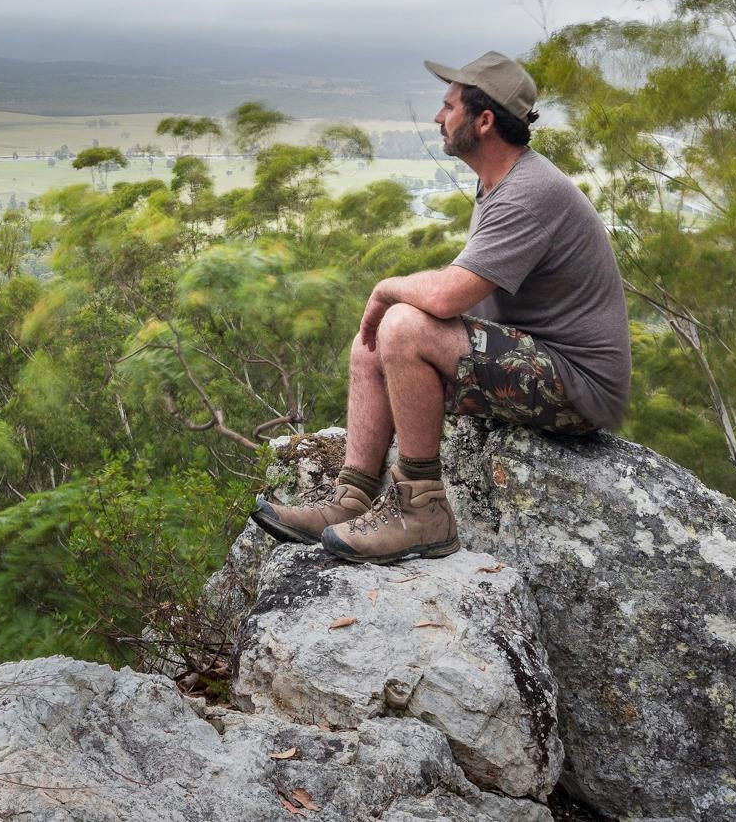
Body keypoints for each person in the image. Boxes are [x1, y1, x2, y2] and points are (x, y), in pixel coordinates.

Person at [250, 51, 631, 565]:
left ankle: (423, 511)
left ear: (484, 120)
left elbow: (449, 296)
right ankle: (351, 499)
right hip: (535, 362)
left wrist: (386, 288)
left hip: (578, 385)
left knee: (404, 325)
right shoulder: (496, 183)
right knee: (377, 339)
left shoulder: (530, 192)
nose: (438, 117)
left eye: (448, 106)